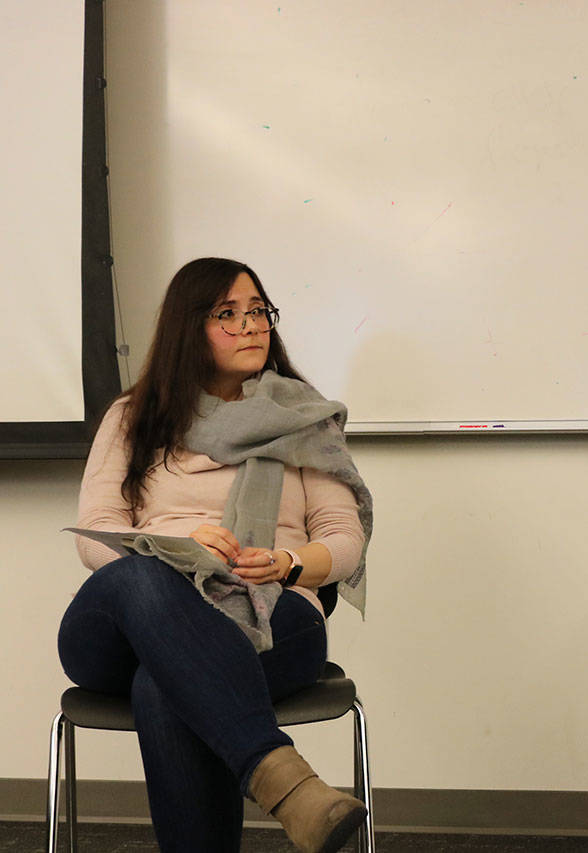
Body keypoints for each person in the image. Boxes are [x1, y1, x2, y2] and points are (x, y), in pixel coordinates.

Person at [59, 257, 373, 852]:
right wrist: (174, 549)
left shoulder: (304, 421)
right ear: (188, 327)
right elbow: (96, 531)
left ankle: (278, 781)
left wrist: (288, 564)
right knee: (143, 575)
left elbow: (344, 538)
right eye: (228, 314)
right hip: (129, 620)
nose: (252, 325)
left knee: (164, 684)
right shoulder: (134, 417)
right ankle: (281, 776)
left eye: (258, 310)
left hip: (271, 610)